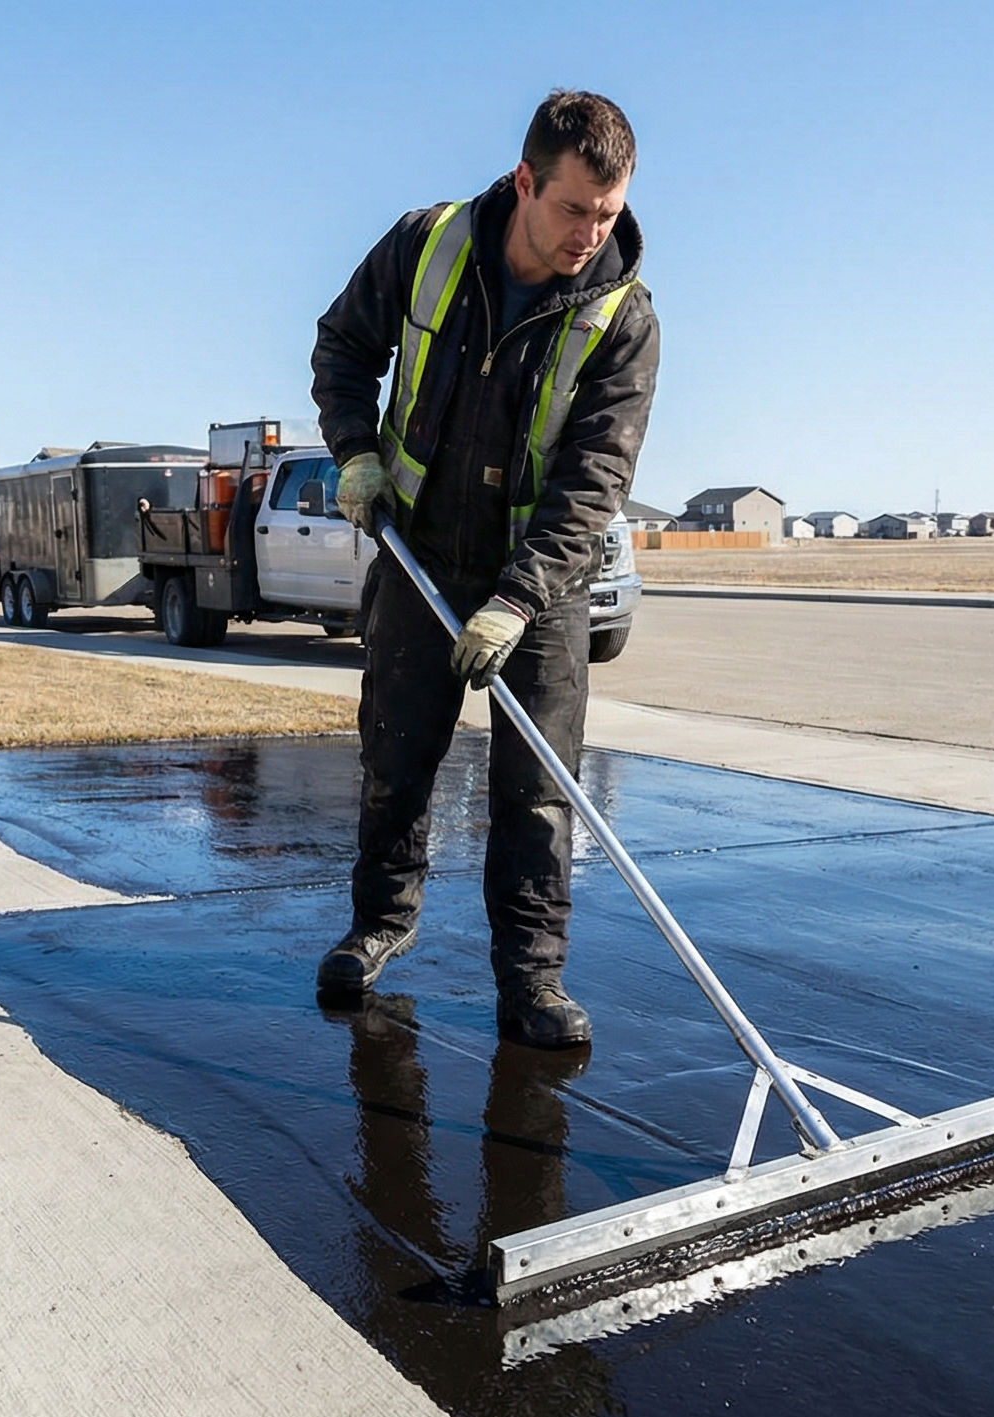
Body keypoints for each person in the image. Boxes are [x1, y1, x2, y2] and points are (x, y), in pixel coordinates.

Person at [308, 89, 659, 1049]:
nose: (593, 231)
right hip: (417, 553)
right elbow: (342, 349)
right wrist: (355, 453)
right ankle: (379, 927)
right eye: (575, 208)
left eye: (610, 211)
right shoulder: (427, 247)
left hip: (536, 587)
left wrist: (516, 599)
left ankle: (532, 984)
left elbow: (595, 481)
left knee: (539, 792)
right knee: (397, 758)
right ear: (525, 181)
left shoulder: (622, 318)